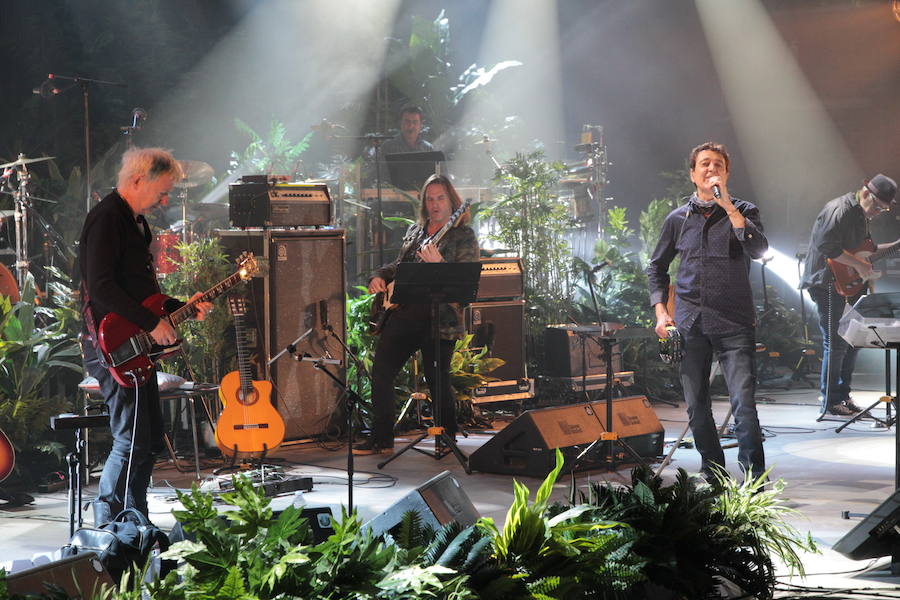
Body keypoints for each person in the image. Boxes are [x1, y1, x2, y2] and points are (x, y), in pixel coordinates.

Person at [80, 147, 213, 523]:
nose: (165, 200)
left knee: (150, 440)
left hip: (133, 342)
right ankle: (108, 517)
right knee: (131, 438)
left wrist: (176, 307)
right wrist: (153, 323)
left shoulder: (135, 221)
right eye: (162, 190)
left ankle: (135, 516)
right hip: (110, 344)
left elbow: (141, 294)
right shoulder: (107, 218)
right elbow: (103, 288)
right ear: (138, 180)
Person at [647, 141, 768, 481]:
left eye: (718, 164)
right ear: (693, 174)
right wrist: (661, 312)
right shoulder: (677, 219)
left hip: (734, 322)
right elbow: (657, 267)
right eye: (704, 163)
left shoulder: (744, 211)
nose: (711, 168)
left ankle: (754, 477)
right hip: (690, 323)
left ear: (726, 173)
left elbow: (758, 249)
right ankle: (713, 470)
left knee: (743, 404)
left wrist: (728, 207)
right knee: (697, 406)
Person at [356, 173, 478, 455]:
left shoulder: (463, 236)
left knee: (438, 379)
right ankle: (381, 438)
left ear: (452, 201)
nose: (435, 204)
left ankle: (446, 438)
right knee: (382, 373)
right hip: (404, 313)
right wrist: (379, 277)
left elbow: (464, 281)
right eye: (430, 198)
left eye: (441, 198)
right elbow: (399, 267)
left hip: (439, 319)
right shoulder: (416, 231)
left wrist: (440, 263)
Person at [800, 174, 898, 417]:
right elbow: (827, 246)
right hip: (827, 282)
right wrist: (861, 266)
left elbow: (869, 253)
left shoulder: (861, 216)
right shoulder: (840, 209)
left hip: (846, 284)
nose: (877, 212)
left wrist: (897, 244)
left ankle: (843, 396)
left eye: (882, 209)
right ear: (865, 193)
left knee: (853, 341)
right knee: (835, 342)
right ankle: (830, 401)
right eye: (877, 206)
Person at [377, 105, 438, 190]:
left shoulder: (428, 148)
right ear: (400, 123)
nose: (411, 126)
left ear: (420, 125)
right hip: (394, 199)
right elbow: (382, 177)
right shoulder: (388, 147)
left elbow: (435, 178)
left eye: (415, 122)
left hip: (421, 199)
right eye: (407, 122)